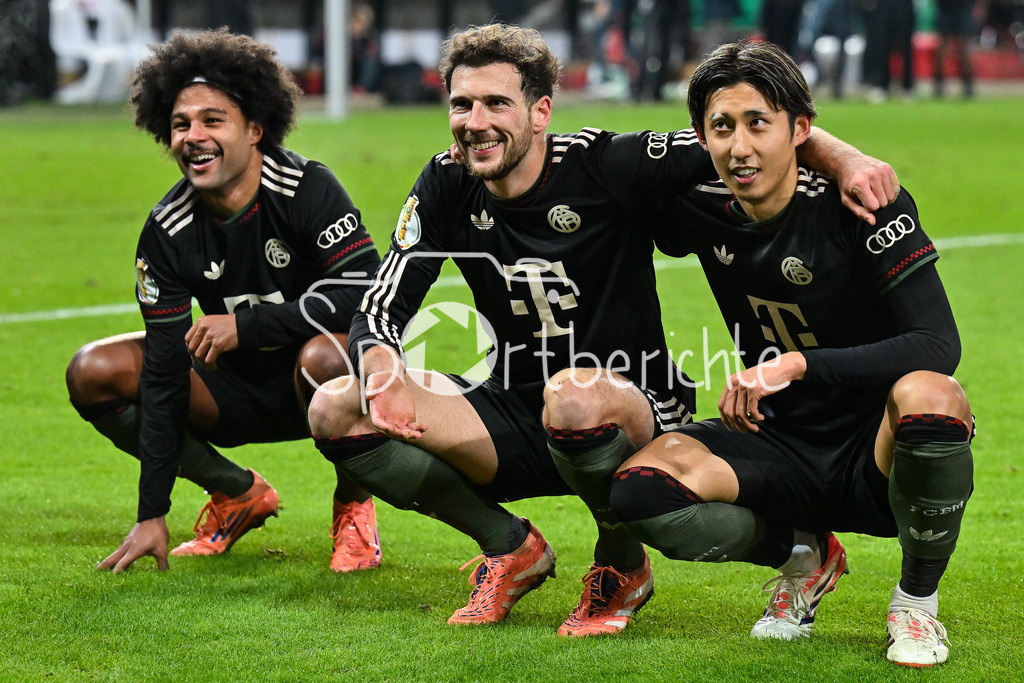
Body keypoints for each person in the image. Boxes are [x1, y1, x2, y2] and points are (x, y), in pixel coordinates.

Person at [308, 23, 900, 635]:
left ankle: (621, 567)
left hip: (632, 405)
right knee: (338, 406)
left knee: (573, 396)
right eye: (461, 104)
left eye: (496, 104)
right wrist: (381, 369)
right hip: (511, 407)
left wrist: (846, 157)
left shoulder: (606, 163)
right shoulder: (445, 182)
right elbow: (383, 297)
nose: (474, 121)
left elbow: (742, 135)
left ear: (541, 112)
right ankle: (510, 549)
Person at [603, 41, 972, 668]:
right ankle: (803, 557)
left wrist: (798, 364)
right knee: (640, 493)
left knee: (933, 399)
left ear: (800, 129)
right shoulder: (697, 203)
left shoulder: (861, 204)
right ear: (701, 137)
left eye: (758, 124)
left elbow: (940, 343)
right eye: (721, 127)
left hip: (872, 448)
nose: (740, 148)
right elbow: (612, 168)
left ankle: (915, 602)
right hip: (774, 442)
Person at [66, 29, 383, 574]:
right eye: (181, 123)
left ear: (256, 128)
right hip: (225, 390)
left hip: (310, 385)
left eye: (213, 120)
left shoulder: (306, 188)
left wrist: (250, 326)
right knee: (94, 371)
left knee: (336, 356)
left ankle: (354, 508)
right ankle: (235, 493)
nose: (194, 135)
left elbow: (367, 291)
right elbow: (165, 371)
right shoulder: (168, 229)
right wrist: (151, 512)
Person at [933, 0, 976, 98]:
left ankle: (967, 84)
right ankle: (939, 83)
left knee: (964, 49)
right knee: (944, 48)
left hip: (960, 10)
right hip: (948, 10)